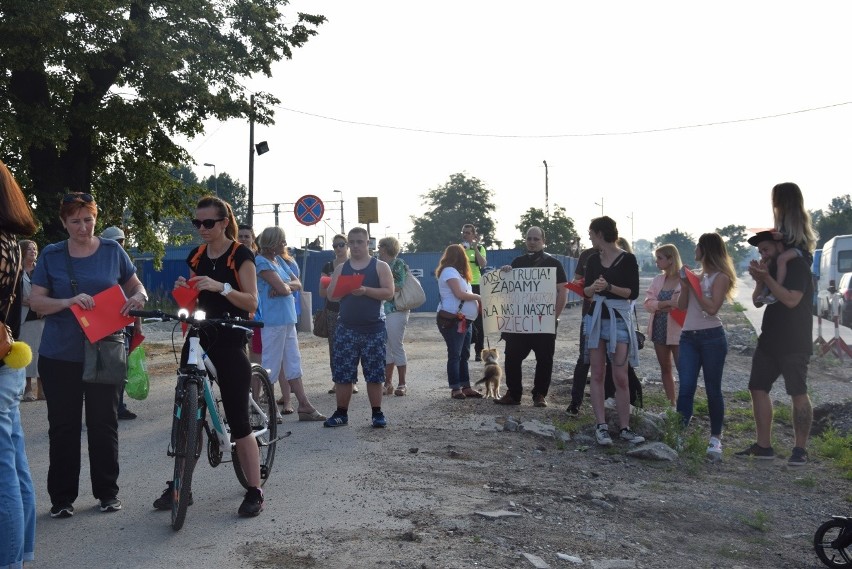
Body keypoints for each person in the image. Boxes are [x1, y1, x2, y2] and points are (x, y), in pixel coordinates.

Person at [30, 192, 148, 517]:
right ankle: (62, 500)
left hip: (105, 351)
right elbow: (36, 302)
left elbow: (138, 287)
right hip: (60, 355)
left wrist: (137, 298)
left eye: (88, 220)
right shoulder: (52, 255)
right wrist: (67, 302)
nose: (83, 227)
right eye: (75, 221)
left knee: (104, 423)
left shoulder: (112, 250)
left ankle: (107, 493)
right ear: (63, 222)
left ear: (95, 218)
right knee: (64, 427)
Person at [164, 195, 264, 516]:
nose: (202, 229)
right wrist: (186, 288)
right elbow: (194, 297)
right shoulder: (195, 255)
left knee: (237, 418)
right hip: (199, 332)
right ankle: (181, 483)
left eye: (208, 223)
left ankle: (254, 490)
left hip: (231, 333)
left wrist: (221, 287)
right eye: (198, 223)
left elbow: (251, 303)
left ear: (224, 223)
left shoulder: (240, 254)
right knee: (185, 411)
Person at [736, 229, 814, 465]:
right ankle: (763, 446)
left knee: (797, 392)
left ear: (780, 247)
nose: (763, 254)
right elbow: (758, 301)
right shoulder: (769, 268)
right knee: (757, 388)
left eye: (766, 249)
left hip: (795, 341)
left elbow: (791, 300)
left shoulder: (798, 267)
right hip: (769, 339)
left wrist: (767, 278)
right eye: (760, 252)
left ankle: (799, 450)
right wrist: (760, 280)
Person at [0, 159, 38, 568]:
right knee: (14, 465)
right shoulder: (10, 239)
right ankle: (22, 553)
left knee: (4, 476)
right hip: (8, 361)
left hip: (2, 364)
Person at [582, 217, 644, 445]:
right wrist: (593, 288)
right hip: (596, 319)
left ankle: (625, 427)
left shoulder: (628, 259)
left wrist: (608, 287)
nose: (589, 236)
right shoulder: (592, 259)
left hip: (618, 320)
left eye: (591, 232)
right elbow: (586, 292)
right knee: (597, 374)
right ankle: (601, 426)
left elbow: (633, 292)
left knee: (621, 375)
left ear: (600, 233)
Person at [323, 227, 394, 428]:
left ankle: (377, 413)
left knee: (374, 373)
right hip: (346, 328)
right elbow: (331, 295)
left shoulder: (380, 266)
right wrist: (342, 289)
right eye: (351, 242)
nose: (355, 246)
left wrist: (365, 290)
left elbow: (389, 292)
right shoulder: (341, 268)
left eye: (359, 242)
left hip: (374, 328)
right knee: (343, 373)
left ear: (367, 243)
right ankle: (341, 413)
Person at [675, 233, 736, 461]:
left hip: (712, 338)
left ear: (706, 249)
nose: (694, 250)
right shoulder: (695, 277)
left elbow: (712, 309)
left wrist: (695, 285)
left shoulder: (721, 277)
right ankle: (679, 433)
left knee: (713, 389)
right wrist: (685, 284)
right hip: (688, 337)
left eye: (697, 246)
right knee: (686, 387)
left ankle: (715, 439)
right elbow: (681, 306)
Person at [254, 226, 324, 422]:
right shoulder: (261, 262)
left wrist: (285, 287)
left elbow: (297, 284)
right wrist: (285, 288)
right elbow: (284, 289)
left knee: (293, 361)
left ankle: (304, 405)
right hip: (272, 321)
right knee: (270, 364)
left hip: (287, 319)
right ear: (272, 242)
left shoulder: (279, 262)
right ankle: (269, 410)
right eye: (281, 241)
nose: (284, 244)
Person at [495, 226, 568, 407]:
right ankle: (513, 394)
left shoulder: (554, 264)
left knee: (544, 359)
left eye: (536, 239)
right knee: (512, 357)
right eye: (529, 239)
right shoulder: (517, 262)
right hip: (520, 322)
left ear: (543, 241)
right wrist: (505, 273)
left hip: (545, 322)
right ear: (525, 240)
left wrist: (554, 316)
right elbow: (509, 290)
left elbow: (563, 291)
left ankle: (539, 395)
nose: (533, 242)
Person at [100, 226, 142, 420]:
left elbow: (137, 296)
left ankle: (119, 406)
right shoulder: (101, 266)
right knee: (104, 367)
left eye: (122, 242)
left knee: (121, 367)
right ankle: (105, 406)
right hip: (106, 326)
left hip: (126, 326)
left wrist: (138, 326)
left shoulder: (126, 266)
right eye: (116, 242)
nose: (119, 245)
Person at [758, 182, 817, 305]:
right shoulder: (781, 218)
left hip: (800, 249)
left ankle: (776, 290)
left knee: (781, 259)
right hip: (790, 247)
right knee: (769, 262)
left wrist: (782, 236)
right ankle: (765, 290)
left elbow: (799, 238)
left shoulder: (797, 216)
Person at [436, 244, 482, 400]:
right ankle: (456, 388)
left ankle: (466, 386)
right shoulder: (449, 271)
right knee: (455, 354)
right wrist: (479, 297)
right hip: (453, 320)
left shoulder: (459, 274)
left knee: (463, 355)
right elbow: (460, 294)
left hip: (464, 320)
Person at [643, 244, 683, 406]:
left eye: (659, 258)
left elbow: (681, 305)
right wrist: (666, 304)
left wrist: (659, 305)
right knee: (665, 368)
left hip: (679, 331)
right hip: (659, 329)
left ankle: (684, 405)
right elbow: (647, 304)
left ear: (671, 259)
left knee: (683, 370)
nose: (656, 262)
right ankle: (671, 404)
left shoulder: (684, 279)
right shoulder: (658, 280)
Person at [319, 234, 357, 394]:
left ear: (347, 246)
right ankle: (337, 380)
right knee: (334, 347)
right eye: (335, 246)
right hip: (333, 311)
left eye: (341, 245)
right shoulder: (328, 267)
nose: (338, 249)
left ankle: (352, 381)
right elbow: (321, 293)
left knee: (352, 347)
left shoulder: (354, 265)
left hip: (352, 310)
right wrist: (332, 281)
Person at [378, 236, 410, 396]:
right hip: (384, 310)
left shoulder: (398, 264)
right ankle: (388, 383)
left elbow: (399, 286)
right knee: (387, 348)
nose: (378, 249)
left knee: (396, 345)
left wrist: (382, 287)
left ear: (386, 247)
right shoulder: (380, 264)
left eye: (380, 246)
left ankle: (402, 384)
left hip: (396, 309)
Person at [18, 239, 44, 402]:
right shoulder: (16, 270)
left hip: (41, 315)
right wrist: (24, 300)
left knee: (42, 353)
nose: (33, 251)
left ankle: (42, 390)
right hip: (24, 317)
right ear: (22, 251)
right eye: (29, 249)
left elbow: (49, 289)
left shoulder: (41, 270)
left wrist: (41, 304)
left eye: (35, 249)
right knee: (28, 353)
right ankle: (28, 389)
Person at [237, 224, 263, 365]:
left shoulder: (259, 258)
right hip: (237, 305)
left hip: (256, 309)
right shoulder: (231, 256)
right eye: (240, 236)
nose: (243, 239)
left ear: (253, 238)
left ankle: (256, 385)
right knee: (239, 349)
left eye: (247, 236)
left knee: (255, 349)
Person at [461, 224, 487, 361]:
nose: (465, 235)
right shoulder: (459, 249)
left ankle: (479, 351)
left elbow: (483, 264)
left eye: (468, 233)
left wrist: (475, 248)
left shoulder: (481, 248)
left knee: (479, 321)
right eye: (463, 232)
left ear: (474, 235)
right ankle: (465, 347)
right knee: (463, 318)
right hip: (463, 285)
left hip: (476, 285)